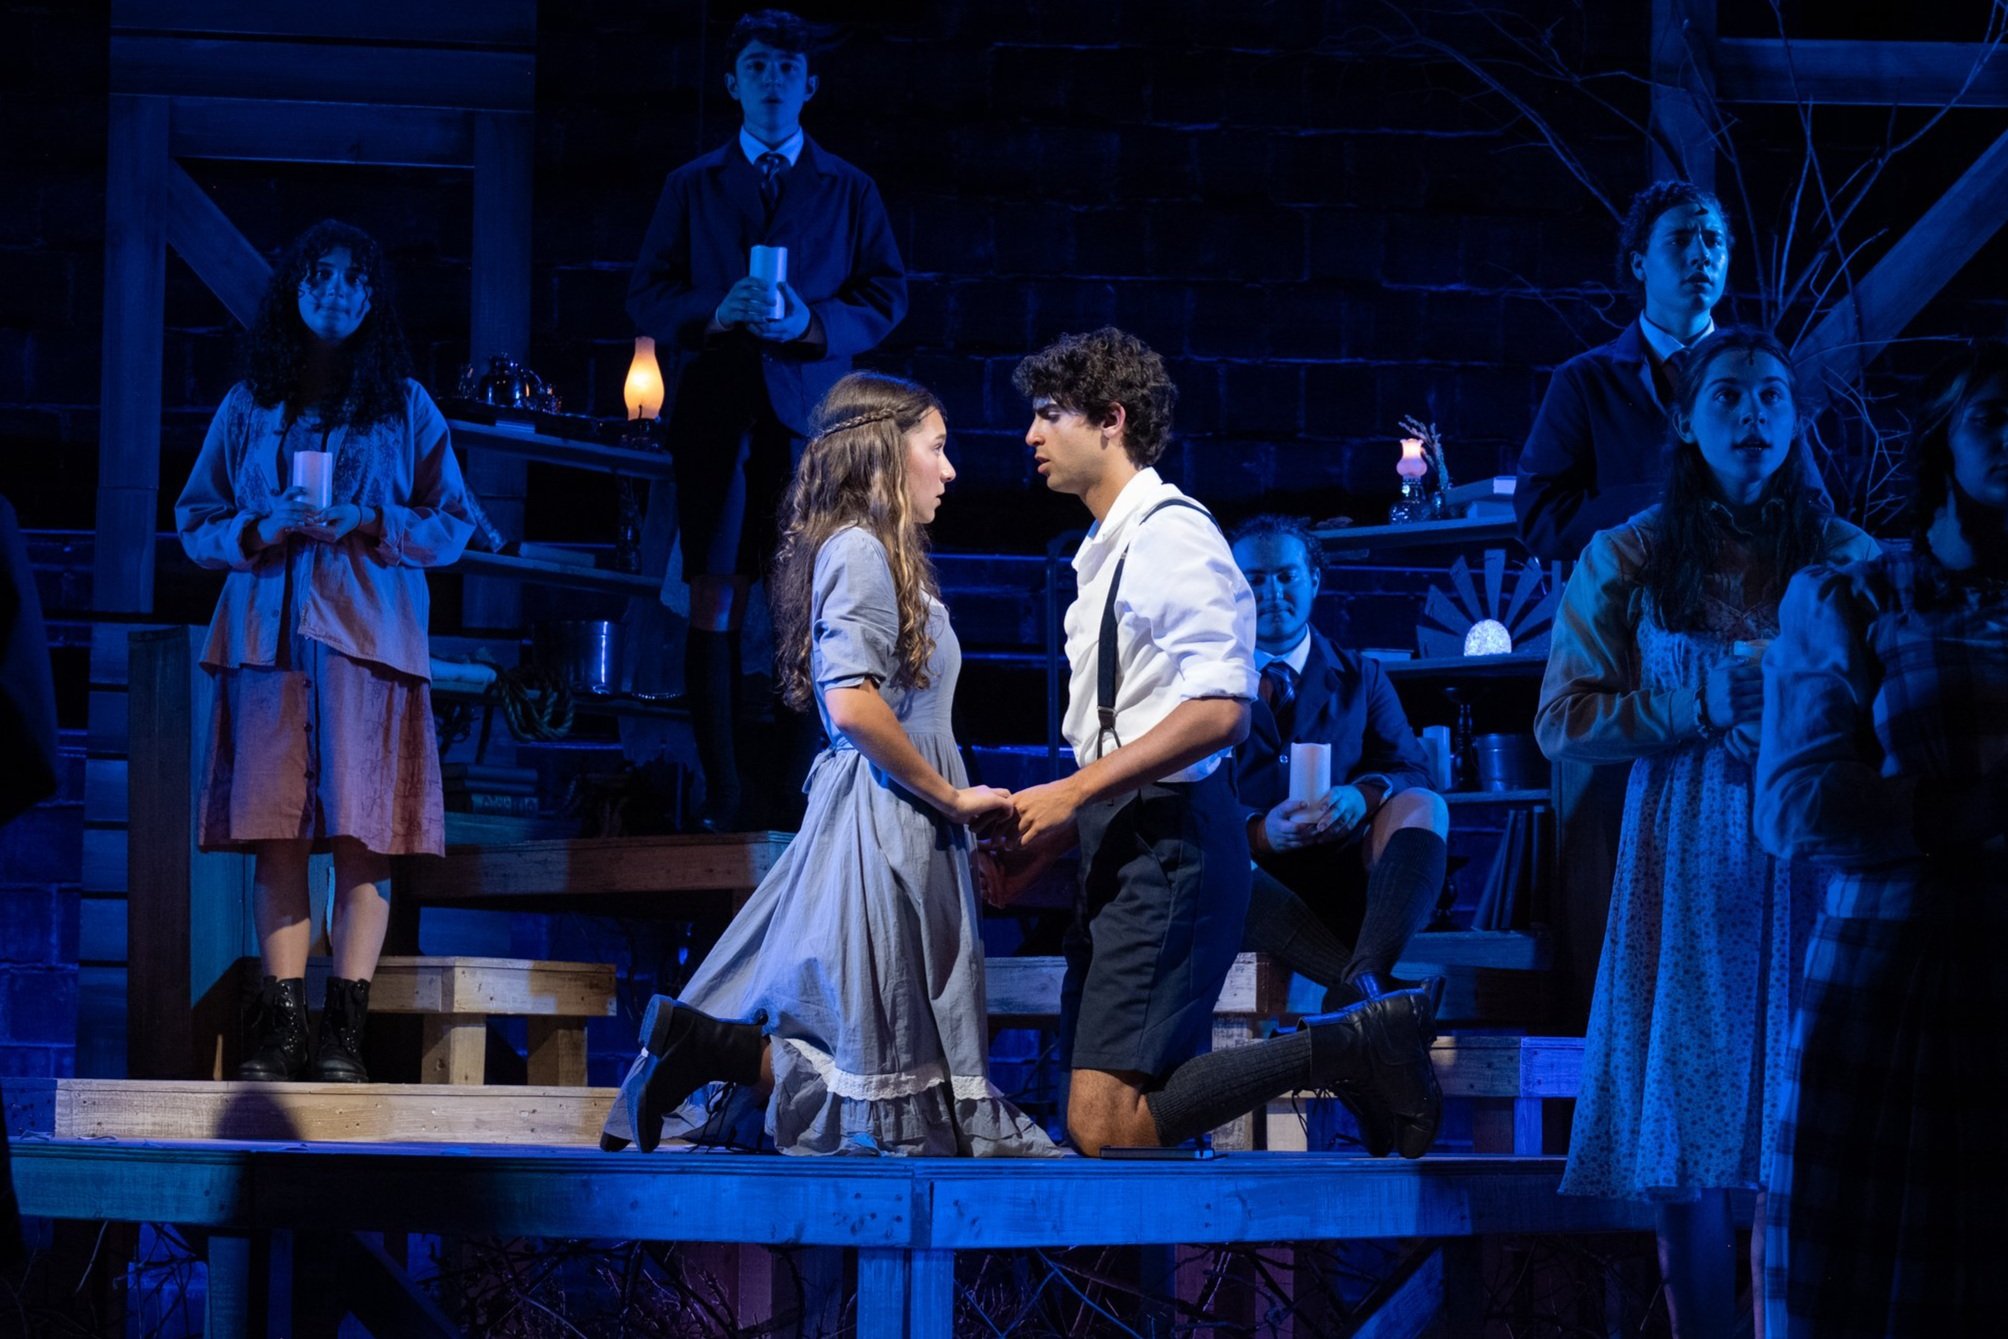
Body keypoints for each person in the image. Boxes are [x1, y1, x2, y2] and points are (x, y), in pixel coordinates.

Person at [996, 328, 1441, 1160]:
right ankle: (1355, 1045)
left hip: (1173, 842)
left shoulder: (1172, 535)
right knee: (1104, 1119)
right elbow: (1122, 722)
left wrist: (1072, 793)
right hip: (1125, 836)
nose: (1031, 435)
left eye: (1050, 413)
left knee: (1104, 1122)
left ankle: (1353, 1043)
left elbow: (1221, 711)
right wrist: (1059, 831)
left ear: (1111, 421)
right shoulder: (1107, 548)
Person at [599, 372, 1054, 1157]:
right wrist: (951, 798)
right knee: (874, 1045)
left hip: (904, 811)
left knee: (884, 1039)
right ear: (885, 453)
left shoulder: (878, 555)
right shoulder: (859, 552)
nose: (949, 470)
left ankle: (710, 1049)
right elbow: (849, 702)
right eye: (937, 448)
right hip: (885, 819)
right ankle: (711, 1052)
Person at [1535, 328, 1876, 1337]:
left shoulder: (1844, 555)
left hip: (1807, 851)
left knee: (1796, 1120)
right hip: (1682, 852)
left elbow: (1893, 700)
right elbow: (1561, 719)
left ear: (1796, 418)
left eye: (1771, 395)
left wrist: (1806, 706)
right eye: (1728, 394)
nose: (1752, 414)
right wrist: (1690, 704)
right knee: (1685, 1128)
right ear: (1685, 418)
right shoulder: (1629, 553)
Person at [175, 220, 475, 1083]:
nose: (335, 292)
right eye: (318, 276)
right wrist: (261, 524)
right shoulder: (249, 404)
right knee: (276, 837)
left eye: (351, 278)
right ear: (294, 291)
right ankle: (283, 1028)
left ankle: (345, 1029)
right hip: (267, 645)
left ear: (372, 295)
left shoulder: (405, 405)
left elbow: (453, 521)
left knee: (360, 836)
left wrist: (372, 518)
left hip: (364, 645)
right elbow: (195, 519)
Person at [1756, 339, 2008, 1336]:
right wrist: (1959, 812)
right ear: (1944, 439)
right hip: (1900, 974)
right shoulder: (1857, 597)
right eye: (1994, 416)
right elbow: (1794, 804)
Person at [629, 8, 907, 832]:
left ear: (810, 84)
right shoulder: (692, 185)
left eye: (787, 68)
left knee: (805, 600)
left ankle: (794, 792)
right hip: (716, 415)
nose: (773, 81)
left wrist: (811, 323)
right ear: (733, 82)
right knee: (714, 594)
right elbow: (647, 293)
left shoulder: (848, 188)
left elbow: (886, 294)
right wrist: (715, 310)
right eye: (757, 66)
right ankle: (720, 793)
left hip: (808, 421)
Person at [1514, 180, 1738, 1026]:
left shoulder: (1753, 379)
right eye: (1682, 239)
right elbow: (1541, 514)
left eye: (1714, 241)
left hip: (1732, 654)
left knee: (1725, 875)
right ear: (1640, 261)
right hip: (1616, 655)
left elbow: (1811, 506)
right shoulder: (1588, 381)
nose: (1701, 255)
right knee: (1608, 875)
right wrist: (1663, 506)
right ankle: (1603, 1062)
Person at [1228, 513, 1449, 1022]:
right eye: (1254, 579)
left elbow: (1412, 770)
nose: (1272, 593)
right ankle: (1369, 992)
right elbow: (1189, 790)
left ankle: (1366, 972)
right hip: (1249, 874)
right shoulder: (1203, 681)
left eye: (1286, 576)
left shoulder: (1361, 677)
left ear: (1314, 580)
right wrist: (1258, 831)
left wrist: (1362, 796)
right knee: (1206, 853)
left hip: (1342, 870)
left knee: (1425, 804)